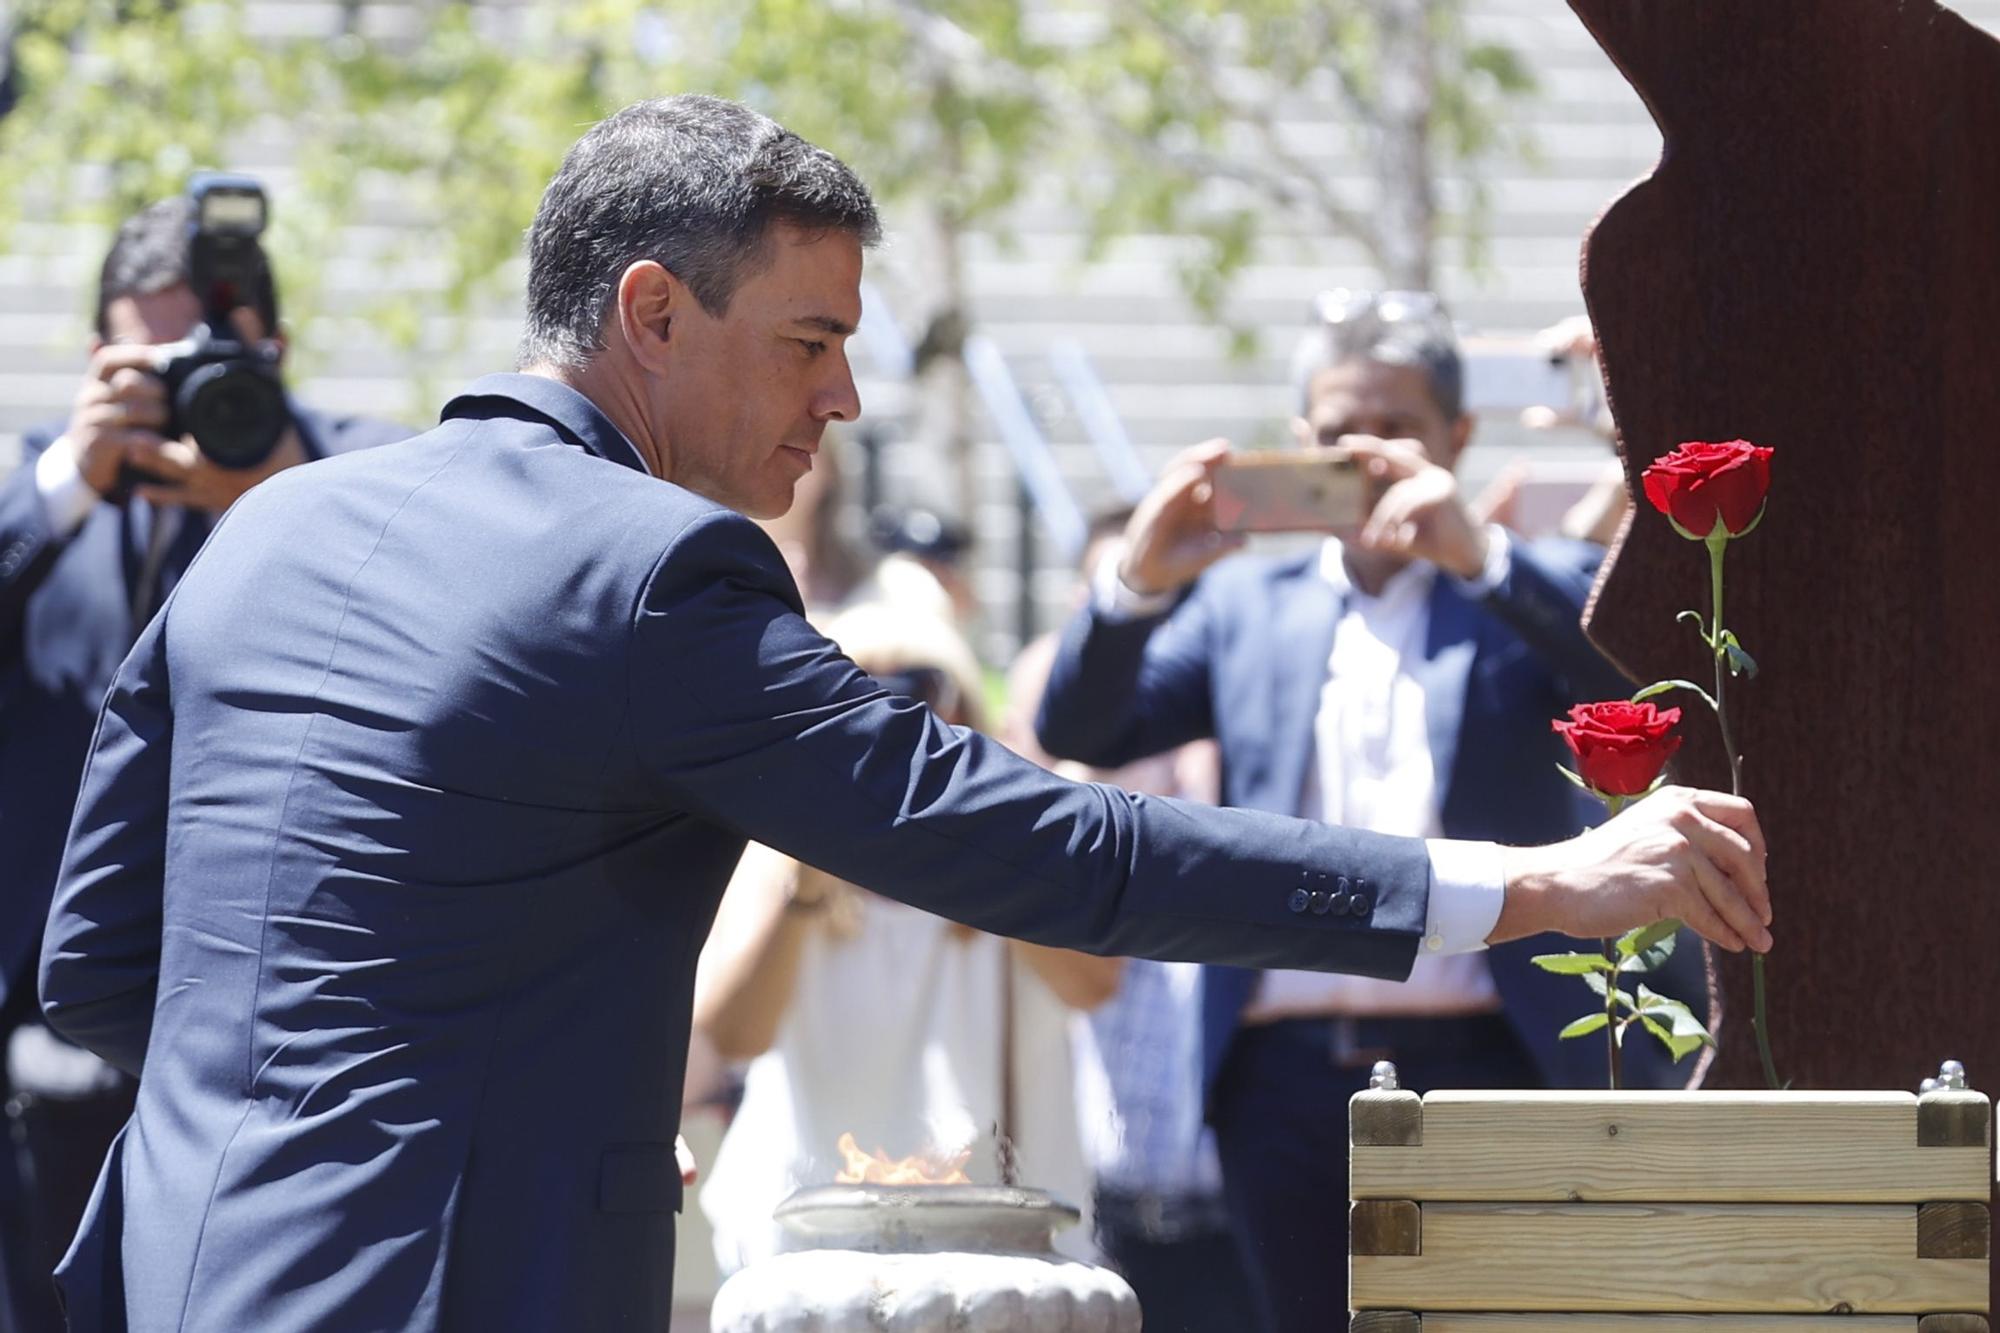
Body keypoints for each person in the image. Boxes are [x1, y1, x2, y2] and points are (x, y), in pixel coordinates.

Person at [39, 96, 1770, 1332]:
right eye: (809, 340)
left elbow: (98, 965)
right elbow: (1042, 843)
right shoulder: (657, 571)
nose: (847, 397)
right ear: (653, 313)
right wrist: (1528, 883)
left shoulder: (260, 530)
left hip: (169, 1264)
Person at [1032, 289, 1715, 1333]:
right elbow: (1084, 721)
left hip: (1492, 1055)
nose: (1364, 456)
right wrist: (1133, 584)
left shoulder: (1524, 592)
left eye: (1394, 429)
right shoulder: (1237, 607)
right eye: (1336, 431)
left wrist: (1479, 560)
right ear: (1299, 439)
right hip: (1280, 1079)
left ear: (1456, 439)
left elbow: (1641, 688)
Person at [0, 193, 406, 1331]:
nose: (185, 391)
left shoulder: (358, 479)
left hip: (276, 1013)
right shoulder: (41, 490)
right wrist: (70, 484)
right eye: (150, 361)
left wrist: (278, 500)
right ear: (95, 359)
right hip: (44, 1020)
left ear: (271, 353)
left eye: (210, 360)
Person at [696, 602, 1115, 1272]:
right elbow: (735, 1034)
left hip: (995, 1245)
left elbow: (1095, 984)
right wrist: (807, 868)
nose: (883, 720)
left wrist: (981, 838)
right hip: (808, 1242)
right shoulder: (774, 846)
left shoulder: (1020, 837)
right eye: (853, 688)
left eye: (916, 689)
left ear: (964, 709)